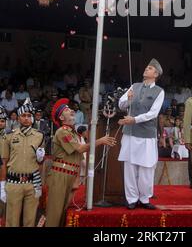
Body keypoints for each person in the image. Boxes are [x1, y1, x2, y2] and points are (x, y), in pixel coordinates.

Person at [45, 98, 116, 227]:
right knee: (55, 213)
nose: (72, 110)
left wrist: (76, 178)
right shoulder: (62, 132)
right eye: (67, 110)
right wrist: (100, 141)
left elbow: (78, 157)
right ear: (61, 117)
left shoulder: (72, 133)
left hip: (69, 173)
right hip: (60, 175)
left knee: (62, 212)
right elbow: (80, 149)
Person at [118, 59, 164, 210]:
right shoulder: (134, 86)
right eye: (146, 67)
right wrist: (128, 99)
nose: (146, 69)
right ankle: (131, 199)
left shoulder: (159, 91)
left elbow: (153, 114)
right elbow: (121, 104)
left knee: (146, 166)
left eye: (149, 68)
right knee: (130, 166)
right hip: (130, 133)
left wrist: (135, 120)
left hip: (146, 134)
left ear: (155, 74)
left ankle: (144, 199)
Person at [0, 99, 45, 227]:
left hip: (32, 183)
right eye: (23, 115)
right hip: (13, 184)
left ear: (32, 118)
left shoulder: (39, 136)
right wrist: (2, 185)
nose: (26, 118)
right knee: (12, 221)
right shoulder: (8, 136)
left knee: (30, 221)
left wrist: (39, 184)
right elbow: (4, 161)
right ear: (18, 118)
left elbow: (40, 163)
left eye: (29, 115)